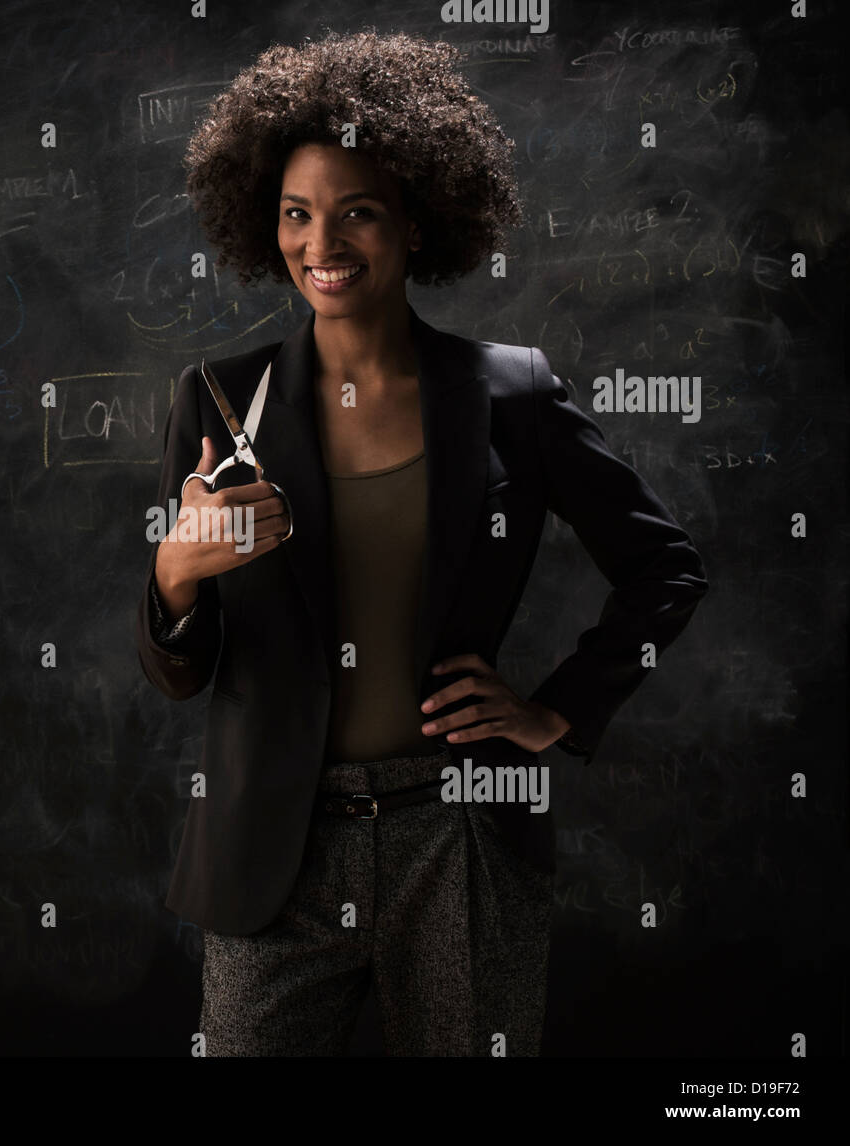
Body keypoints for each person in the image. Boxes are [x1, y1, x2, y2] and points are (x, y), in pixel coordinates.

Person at [133, 30, 708, 1056]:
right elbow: (186, 670)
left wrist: (555, 712)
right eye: (297, 215)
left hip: (462, 837)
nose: (324, 243)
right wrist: (176, 572)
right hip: (273, 850)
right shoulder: (219, 400)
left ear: (417, 219)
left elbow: (665, 567)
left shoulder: (509, 394)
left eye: (357, 211)